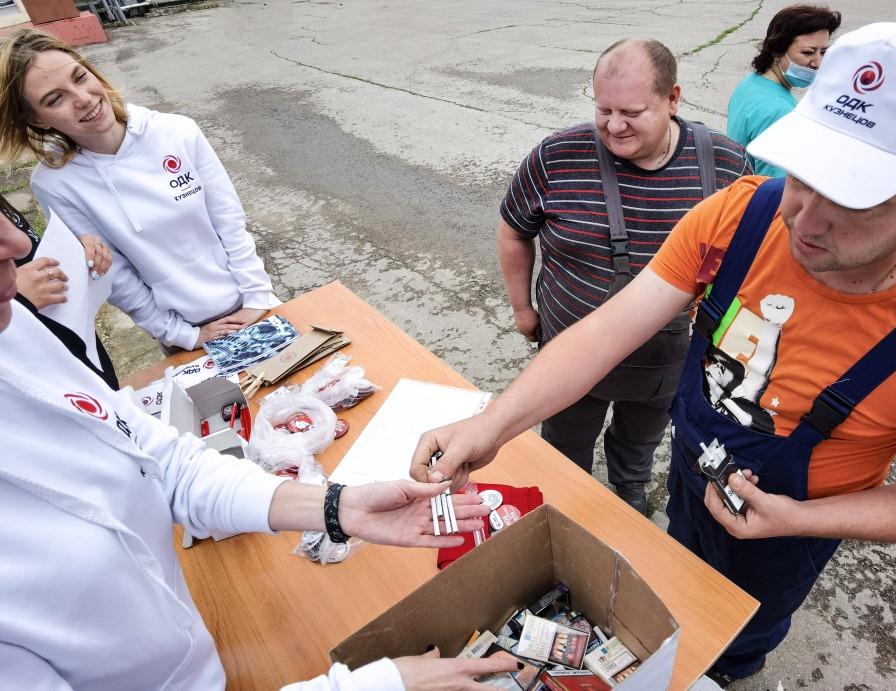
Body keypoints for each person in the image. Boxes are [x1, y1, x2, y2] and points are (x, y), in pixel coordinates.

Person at [414, 22, 896, 684]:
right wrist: (492, 423)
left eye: (856, 199)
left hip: (790, 530)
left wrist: (801, 517)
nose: (805, 219)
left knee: (730, 643)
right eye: (804, 175)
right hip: (694, 465)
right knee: (672, 579)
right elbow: (606, 330)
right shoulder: (742, 214)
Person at [0, 217, 518, 689]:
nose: (18, 242)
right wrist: (377, 685)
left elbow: (165, 464)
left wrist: (336, 507)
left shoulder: (16, 333)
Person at [498, 38, 750, 513]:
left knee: (640, 442)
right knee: (564, 446)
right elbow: (514, 230)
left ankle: (629, 491)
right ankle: (565, 503)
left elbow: (747, 257)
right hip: (568, 361)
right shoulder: (557, 157)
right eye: (604, 110)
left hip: (667, 365)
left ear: (673, 99)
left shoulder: (727, 164)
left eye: (632, 112)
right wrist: (522, 308)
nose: (615, 126)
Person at [0, 29, 277, 352]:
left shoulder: (176, 131)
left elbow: (229, 220)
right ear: (36, 120)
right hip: (188, 336)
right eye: (55, 99)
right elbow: (113, 275)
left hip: (254, 304)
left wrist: (256, 298)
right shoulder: (54, 183)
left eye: (80, 77)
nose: (84, 99)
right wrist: (181, 335)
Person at [5, 193, 120, 388]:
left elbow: (29, 253)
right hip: (34, 378)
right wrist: (15, 299)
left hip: (74, 342)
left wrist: (71, 250)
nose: (20, 243)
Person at [726, 4, 841, 177]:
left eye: (823, 52)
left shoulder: (751, 83)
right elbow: (776, 185)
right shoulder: (778, 112)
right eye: (808, 52)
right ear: (778, 50)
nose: (817, 62)